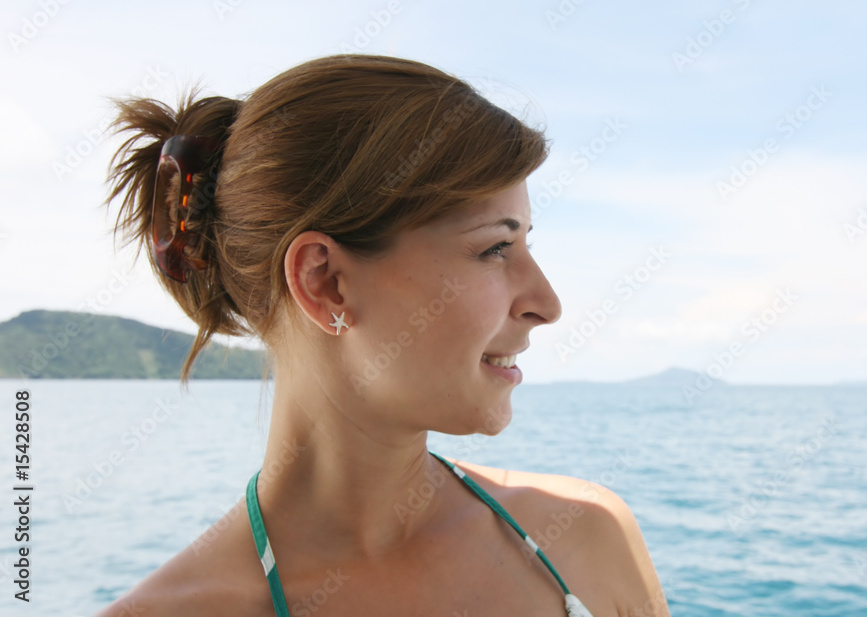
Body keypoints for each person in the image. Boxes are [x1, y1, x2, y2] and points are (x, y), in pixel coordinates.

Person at [94, 54, 670, 617]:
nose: (548, 304)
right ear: (325, 282)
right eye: (495, 247)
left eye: (526, 244)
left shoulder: (590, 535)